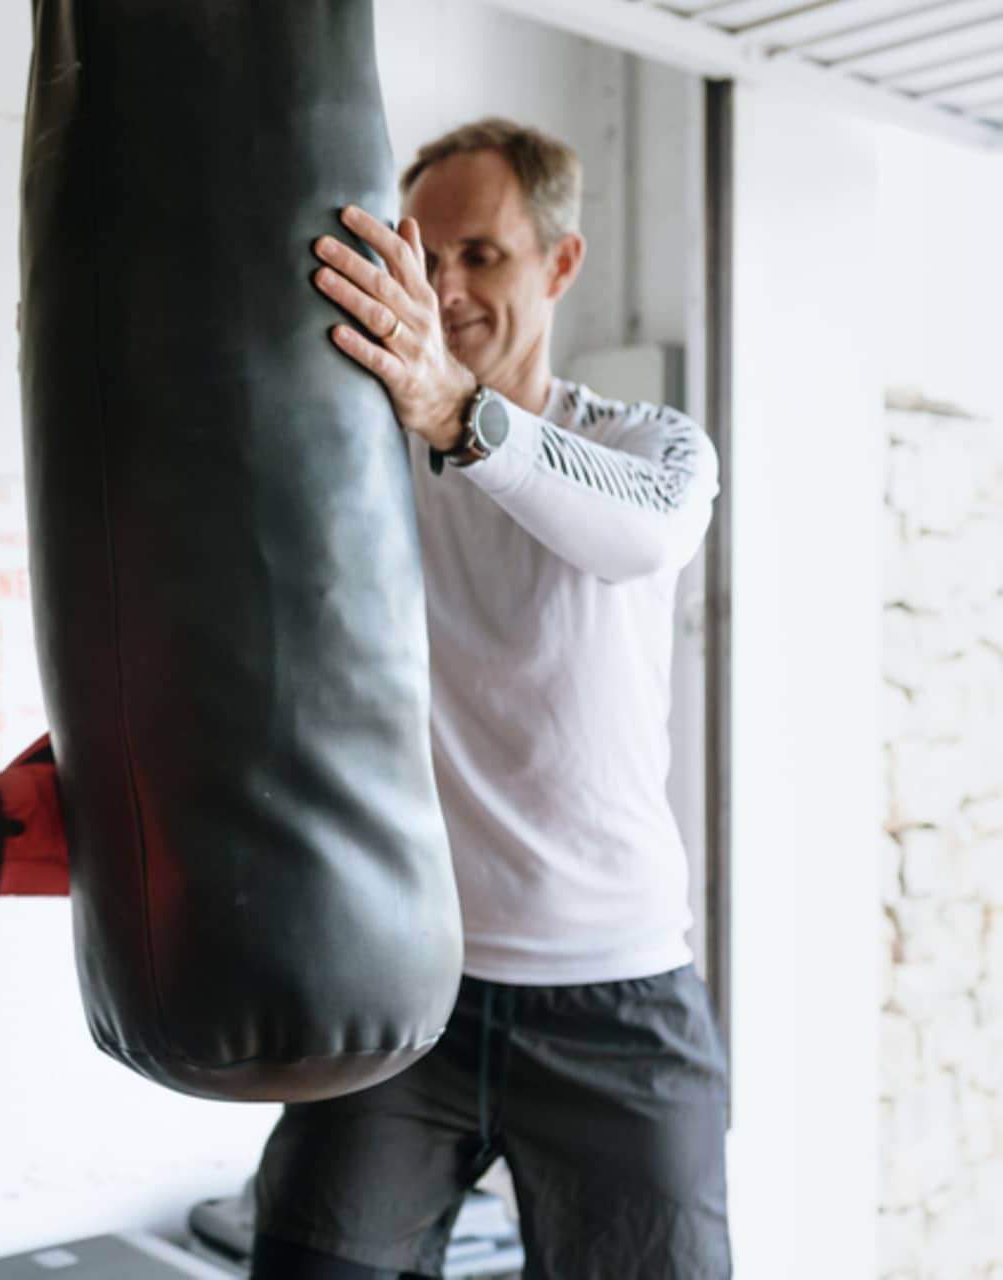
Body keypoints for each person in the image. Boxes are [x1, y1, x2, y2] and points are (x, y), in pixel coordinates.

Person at [245, 118, 730, 1279]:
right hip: (409, 985)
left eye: (483, 255)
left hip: (615, 994)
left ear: (559, 264)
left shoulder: (644, 446)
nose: (447, 287)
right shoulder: (356, 467)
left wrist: (453, 409)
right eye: (427, 257)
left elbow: (644, 535)